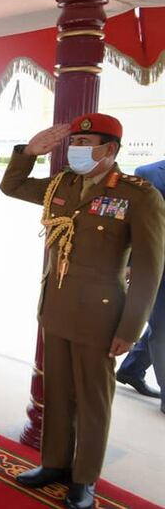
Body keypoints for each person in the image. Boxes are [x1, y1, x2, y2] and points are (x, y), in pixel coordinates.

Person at [1, 114, 165, 509]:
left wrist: (131, 326)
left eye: (85, 141)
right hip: (56, 307)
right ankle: (54, 464)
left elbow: (148, 268)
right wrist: (29, 152)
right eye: (73, 141)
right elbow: (12, 186)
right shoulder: (63, 184)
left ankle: (85, 478)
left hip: (101, 315)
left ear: (109, 150)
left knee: (93, 400)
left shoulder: (137, 194)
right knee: (57, 393)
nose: (75, 148)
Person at [115, 158, 165, 414]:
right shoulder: (148, 173)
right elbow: (139, 223)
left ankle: (132, 369)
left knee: (160, 325)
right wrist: (132, 262)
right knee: (163, 329)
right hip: (160, 263)